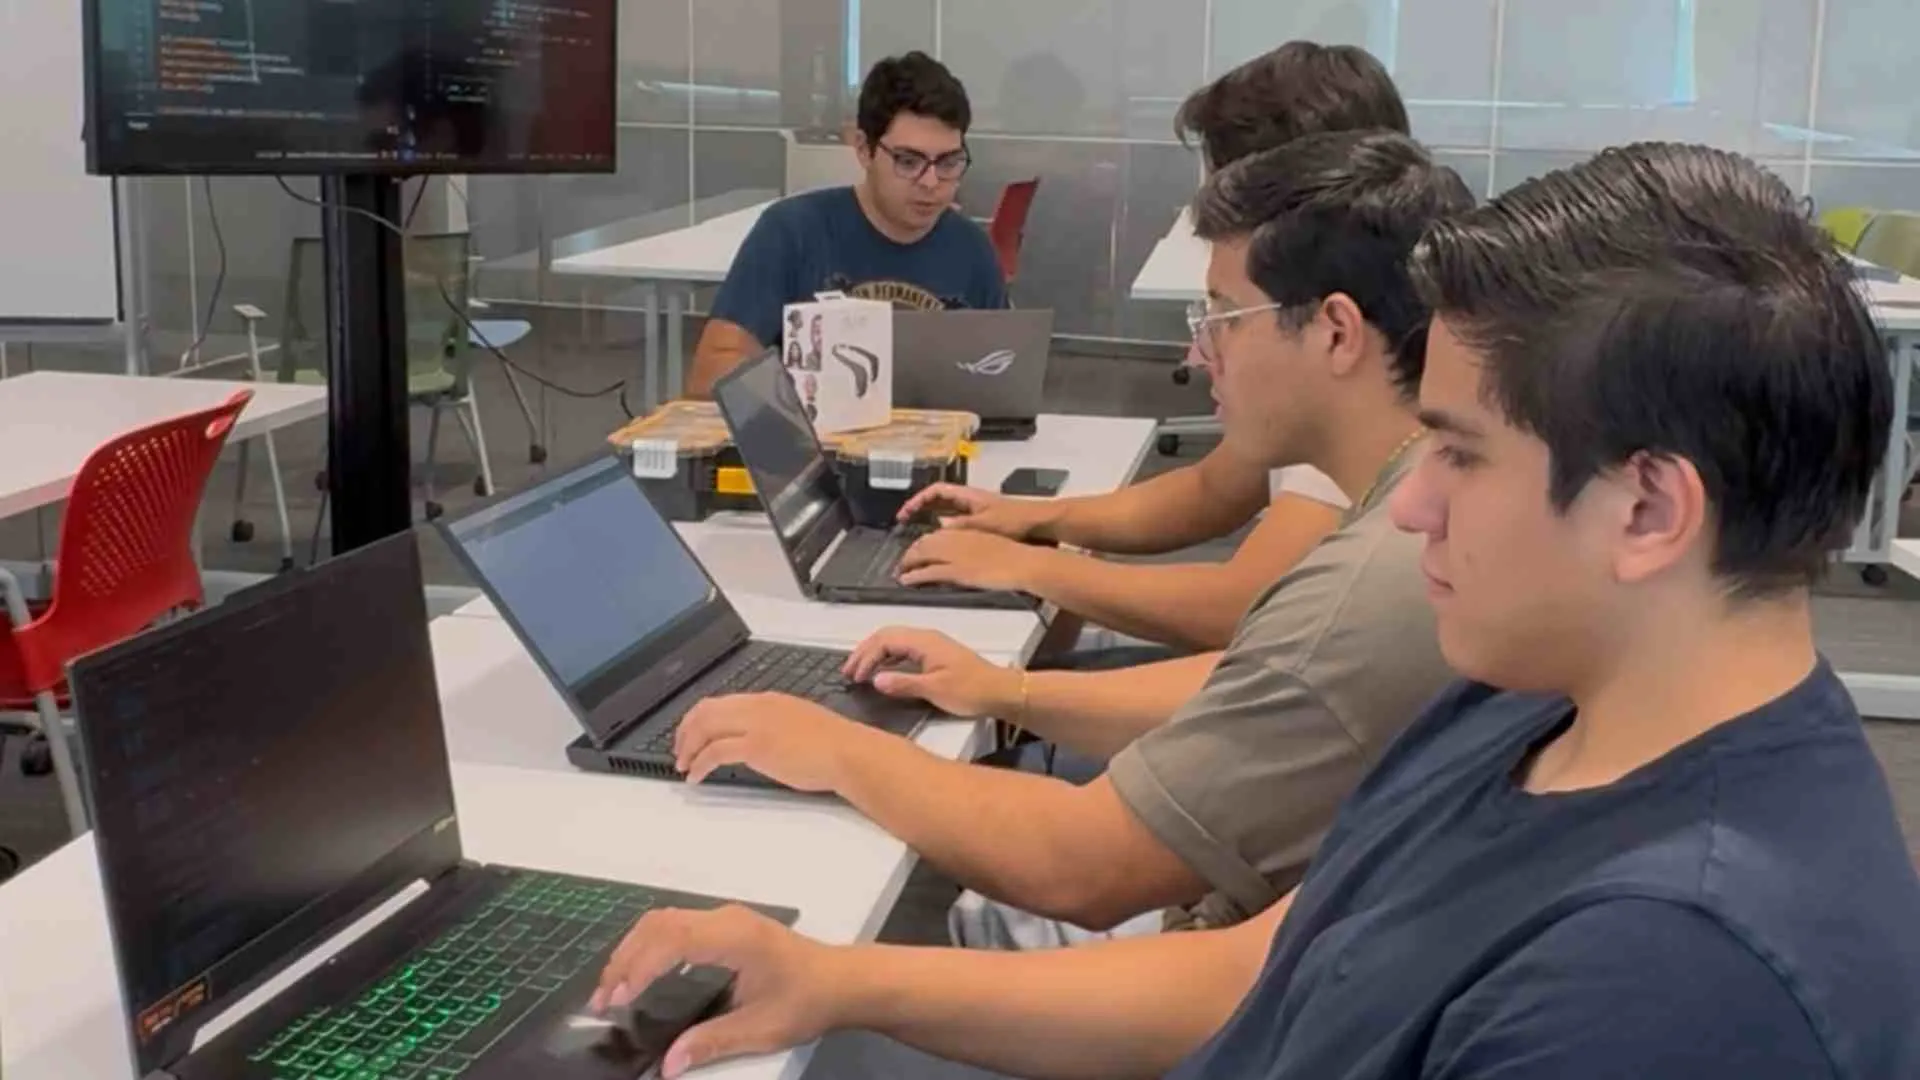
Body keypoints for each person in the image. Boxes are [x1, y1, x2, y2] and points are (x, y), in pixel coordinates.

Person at [592, 142, 1920, 1080]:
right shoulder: (1534, 696)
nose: (1409, 507)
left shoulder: (1671, 986)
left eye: (1459, 453)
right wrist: (834, 975)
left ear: (1647, 511)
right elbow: (1250, 977)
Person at [667, 131, 1469, 954]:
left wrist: (835, 749)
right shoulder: (1423, 501)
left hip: (1257, 974)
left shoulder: (1383, 570)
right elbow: (1263, 676)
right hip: (1295, 936)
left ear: (1336, 332)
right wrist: (1005, 692)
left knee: (954, 922)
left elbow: (1078, 869)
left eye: (1223, 318)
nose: (1196, 354)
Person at [894, 42, 1416, 655]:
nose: (1198, 355)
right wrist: (1029, 518)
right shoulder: (1351, 343)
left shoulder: (1356, 380)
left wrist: (1033, 574)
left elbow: (1240, 611)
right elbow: (1211, 491)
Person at [686, 52, 1005, 397]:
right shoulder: (793, 231)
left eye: (948, 162)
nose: (930, 182)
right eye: (908, 161)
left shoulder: (971, 249)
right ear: (864, 150)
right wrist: (811, 394)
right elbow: (710, 375)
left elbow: (1004, 379)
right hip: (819, 441)